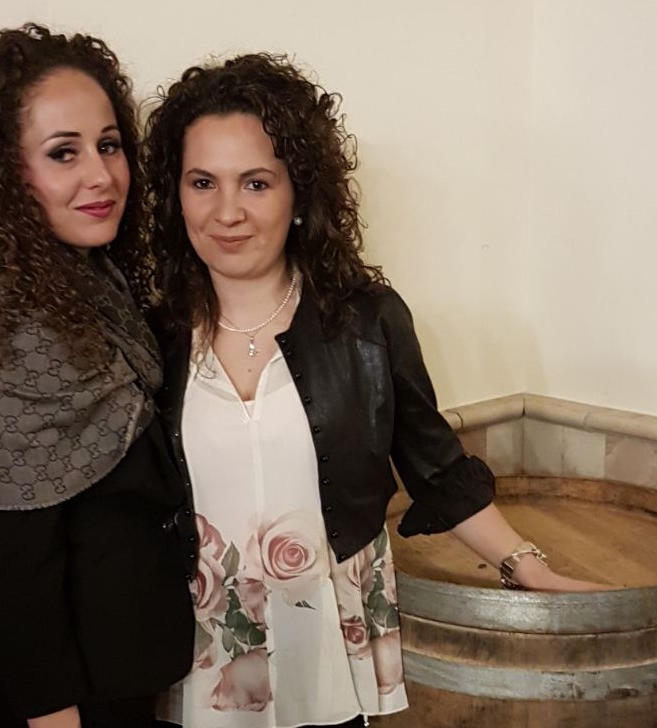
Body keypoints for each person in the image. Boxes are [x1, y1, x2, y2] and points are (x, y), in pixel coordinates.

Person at [141, 54, 603, 728]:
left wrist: (525, 564)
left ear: (300, 194)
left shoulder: (366, 321)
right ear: (175, 193)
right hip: (195, 655)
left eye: (257, 183)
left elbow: (435, 465)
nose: (227, 211)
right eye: (203, 182)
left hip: (325, 644)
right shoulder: (152, 336)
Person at [0, 24, 192, 728]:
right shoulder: (7, 335)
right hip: (67, 701)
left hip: (124, 666)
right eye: (64, 153)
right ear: (4, 177)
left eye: (108, 145)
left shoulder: (91, 284)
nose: (102, 175)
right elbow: (23, 579)